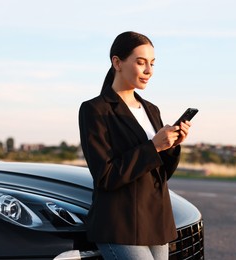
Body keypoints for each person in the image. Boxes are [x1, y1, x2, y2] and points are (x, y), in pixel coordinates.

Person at [78, 31, 191, 260]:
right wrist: (153, 147)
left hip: (155, 222)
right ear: (117, 62)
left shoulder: (151, 109)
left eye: (152, 63)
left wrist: (172, 146)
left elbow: (161, 174)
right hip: (120, 224)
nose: (149, 71)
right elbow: (105, 175)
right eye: (141, 63)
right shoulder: (95, 110)